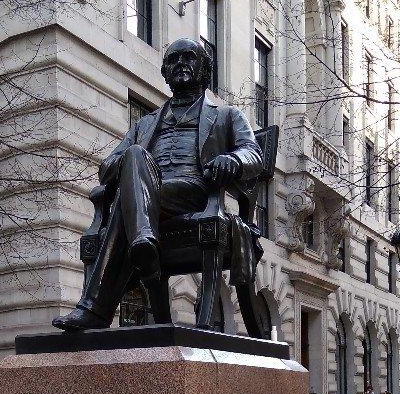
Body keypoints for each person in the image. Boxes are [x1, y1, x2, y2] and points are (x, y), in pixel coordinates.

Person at [52, 37, 263, 331]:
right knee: (135, 155)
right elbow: (106, 168)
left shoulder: (226, 115)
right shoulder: (145, 123)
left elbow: (254, 154)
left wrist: (234, 160)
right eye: (173, 60)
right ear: (164, 73)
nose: (180, 64)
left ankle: (96, 308)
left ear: (204, 69)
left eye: (189, 57)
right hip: (150, 198)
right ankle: (144, 241)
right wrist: (129, 162)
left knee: (126, 205)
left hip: (194, 193)